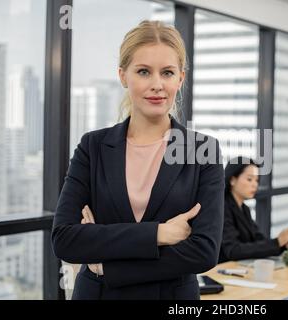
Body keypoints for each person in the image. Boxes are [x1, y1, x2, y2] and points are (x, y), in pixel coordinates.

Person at [51, 20, 224, 300]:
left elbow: (203, 251)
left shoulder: (202, 150)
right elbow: (65, 240)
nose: (157, 84)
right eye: (143, 71)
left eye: (167, 73)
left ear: (180, 78)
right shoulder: (93, 147)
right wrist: (158, 234)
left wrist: (108, 263)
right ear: (123, 76)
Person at [219, 157, 288, 263]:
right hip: (221, 272)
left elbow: (258, 239)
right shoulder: (222, 208)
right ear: (233, 180)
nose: (255, 184)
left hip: (241, 267)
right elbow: (233, 250)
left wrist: (282, 244)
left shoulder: (244, 209)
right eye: (249, 179)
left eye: (256, 180)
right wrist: (277, 242)